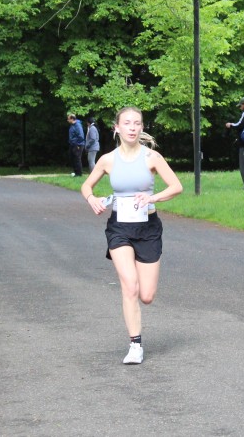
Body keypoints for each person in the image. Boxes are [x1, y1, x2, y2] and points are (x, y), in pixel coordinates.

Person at [80, 107, 183, 365]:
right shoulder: (108, 160)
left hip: (148, 228)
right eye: (127, 123)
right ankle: (135, 345)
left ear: (142, 127)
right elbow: (86, 185)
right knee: (129, 285)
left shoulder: (152, 157)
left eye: (137, 123)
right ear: (117, 128)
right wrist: (92, 199)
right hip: (119, 228)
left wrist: (152, 198)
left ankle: (136, 329)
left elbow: (176, 186)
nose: (132, 127)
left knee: (146, 295)